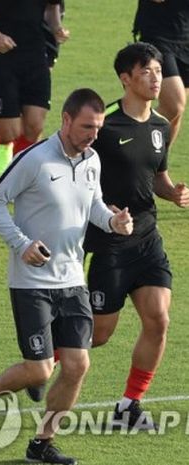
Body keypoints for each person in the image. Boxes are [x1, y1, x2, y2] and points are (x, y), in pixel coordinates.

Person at [0, 88, 134, 465]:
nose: (92, 134)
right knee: (39, 368)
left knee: (77, 365)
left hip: (73, 281)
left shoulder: (92, 161)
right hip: (32, 283)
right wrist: (21, 244)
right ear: (66, 120)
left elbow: (94, 207)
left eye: (98, 128)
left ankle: (42, 443)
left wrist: (113, 221)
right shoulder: (34, 159)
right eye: (87, 126)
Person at [84, 42, 189, 430]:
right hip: (109, 242)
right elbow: (74, 172)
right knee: (98, 335)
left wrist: (173, 191)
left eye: (159, 70)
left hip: (147, 239)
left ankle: (129, 405)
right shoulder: (103, 125)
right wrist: (101, 211)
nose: (156, 77)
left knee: (158, 319)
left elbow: (156, 177)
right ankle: (41, 362)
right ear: (125, 78)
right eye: (146, 71)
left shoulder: (161, 126)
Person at [0, 0, 68, 176]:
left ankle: (21, 176)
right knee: (9, 132)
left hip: (36, 55)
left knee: (34, 126)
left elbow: (52, 6)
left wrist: (57, 27)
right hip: (2, 57)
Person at [133, 0, 189, 145]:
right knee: (174, 104)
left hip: (184, 37)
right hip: (158, 36)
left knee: (176, 115)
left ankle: (159, 165)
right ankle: (132, 143)